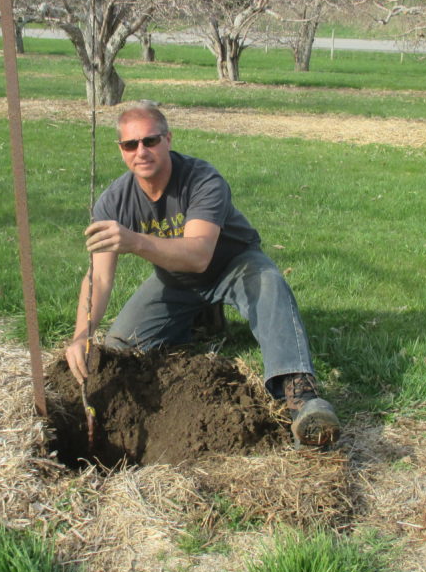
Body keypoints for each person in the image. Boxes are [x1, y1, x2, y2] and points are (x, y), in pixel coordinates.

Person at [64, 104, 340, 448]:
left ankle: (301, 397)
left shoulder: (202, 179)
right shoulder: (114, 201)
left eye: (150, 140)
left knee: (270, 285)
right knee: (120, 348)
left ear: (168, 139)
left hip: (233, 264)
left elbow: (198, 255)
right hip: (177, 280)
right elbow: (99, 278)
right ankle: (200, 317)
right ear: (120, 149)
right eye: (130, 145)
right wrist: (81, 334)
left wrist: (133, 241)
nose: (141, 151)